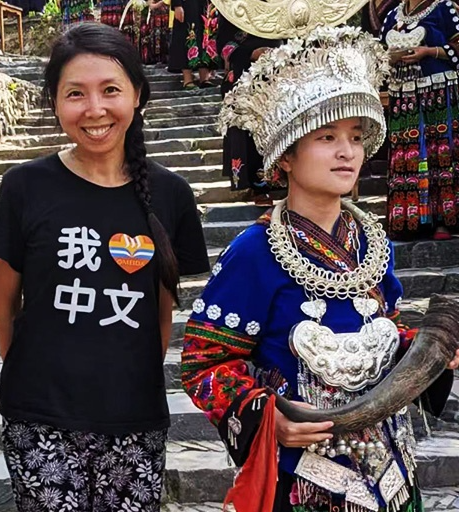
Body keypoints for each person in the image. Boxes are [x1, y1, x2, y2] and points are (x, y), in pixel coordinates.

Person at [181, 25, 459, 512]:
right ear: (285, 155)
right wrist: (270, 419)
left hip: (391, 466)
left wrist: (429, 353)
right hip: (304, 477)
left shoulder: (373, 242)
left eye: (355, 136)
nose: (346, 151)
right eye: (327, 136)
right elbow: (204, 363)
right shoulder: (254, 252)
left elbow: (384, 329)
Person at [0, 22, 209, 512]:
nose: (94, 110)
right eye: (75, 94)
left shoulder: (171, 194)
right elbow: (5, 304)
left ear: (138, 95)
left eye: (110, 90)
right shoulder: (24, 187)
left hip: (134, 414)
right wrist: (34, 377)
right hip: (41, 414)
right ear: (55, 103)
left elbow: (161, 313)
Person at [381, 0, 459, 240]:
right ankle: (409, 221)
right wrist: (390, 59)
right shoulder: (392, 16)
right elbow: (379, 54)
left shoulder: (444, 8)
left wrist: (429, 51)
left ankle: (444, 221)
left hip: (437, 92)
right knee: (409, 153)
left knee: (439, 152)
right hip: (403, 94)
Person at [216, 12, 281, 206]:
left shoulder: (277, 7)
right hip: (242, 79)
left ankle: (280, 181)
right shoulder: (233, 8)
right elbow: (223, 46)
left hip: (275, 76)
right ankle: (258, 187)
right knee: (247, 132)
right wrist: (249, 54)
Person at [167, 0, 220, 88]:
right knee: (187, 34)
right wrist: (177, 5)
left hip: (207, 3)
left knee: (207, 35)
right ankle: (187, 80)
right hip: (187, 4)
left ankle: (204, 78)